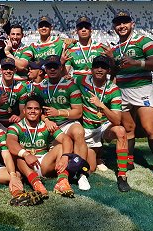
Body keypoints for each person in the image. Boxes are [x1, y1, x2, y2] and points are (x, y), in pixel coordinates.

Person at [112, 11, 153, 180]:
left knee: (149, 128)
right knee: (128, 129)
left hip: (142, 88)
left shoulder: (143, 41)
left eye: (125, 22)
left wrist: (136, 62)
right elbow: (115, 71)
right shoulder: (115, 48)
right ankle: (129, 160)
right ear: (114, 27)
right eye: (118, 23)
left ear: (132, 24)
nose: (121, 26)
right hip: (122, 90)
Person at [6, 95, 89, 198]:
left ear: (41, 112)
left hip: (44, 163)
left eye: (36, 109)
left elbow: (66, 139)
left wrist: (65, 156)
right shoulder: (15, 127)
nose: (33, 111)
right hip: (26, 165)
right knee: (18, 156)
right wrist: (26, 154)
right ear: (24, 111)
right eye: (29, 108)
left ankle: (62, 181)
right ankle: (36, 183)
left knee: (60, 147)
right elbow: (10, 142)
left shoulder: (46, 125)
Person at [34, 55, 90, 190]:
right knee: (53, 164)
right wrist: (46, 120)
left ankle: (81, 174)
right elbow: (36, 111)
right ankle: (64, 174)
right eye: (49, 67)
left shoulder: (70, 86)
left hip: (67, 122)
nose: (52, 69)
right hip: (49, 125)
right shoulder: (40, 88)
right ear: (45, 69)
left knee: (78, 131)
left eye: (55, 66)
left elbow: (78, 112)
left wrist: (59, 113)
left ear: (61, 67)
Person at [75, 55, 130, 192]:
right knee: (90, 167)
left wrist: (102, 106)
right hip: (86, 128)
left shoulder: (114, 89)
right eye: (97, 66)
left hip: (103, 126)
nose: (99, 69)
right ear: (91, 69)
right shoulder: (80, 80)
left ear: (108, 70)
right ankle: (97, 157)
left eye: (103, 67)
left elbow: (117, 120)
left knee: (121, 131)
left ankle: (122, 175)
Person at [65, 16, 112, 170]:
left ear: (91, 30)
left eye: (86, 27)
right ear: (76, 31)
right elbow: (66, 71)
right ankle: (81, 155)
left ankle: (99, 157)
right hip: (78, 89)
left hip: (96, 87)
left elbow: (108, 66)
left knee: (99, 119)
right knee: (81, 121)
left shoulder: (100, 47)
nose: (83, 29)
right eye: (80, 27)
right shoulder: (72, 49)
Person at [0, 58, 27, 128]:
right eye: (5, 69)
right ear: (1, 71)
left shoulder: (21, 88)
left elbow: (23, 112)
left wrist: (19, 117)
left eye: (11, 69)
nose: (8, 71)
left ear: (15, 70)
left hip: (12, 122)